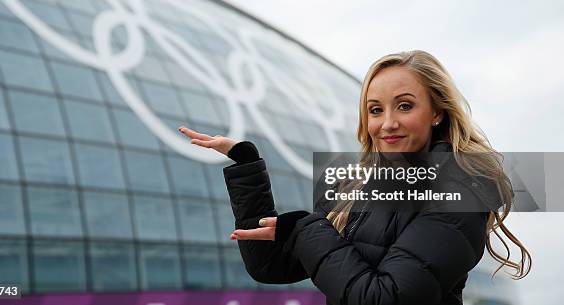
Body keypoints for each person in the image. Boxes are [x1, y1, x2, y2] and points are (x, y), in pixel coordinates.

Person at [178, 50, 531, 305]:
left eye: (405, 105)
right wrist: (248, 168)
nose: (387, 123)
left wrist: (305, 228)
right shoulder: (353, 187)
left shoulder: (460, 191)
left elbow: (382, 297)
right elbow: (269, 267)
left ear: (437, 112)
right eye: (375, 109)